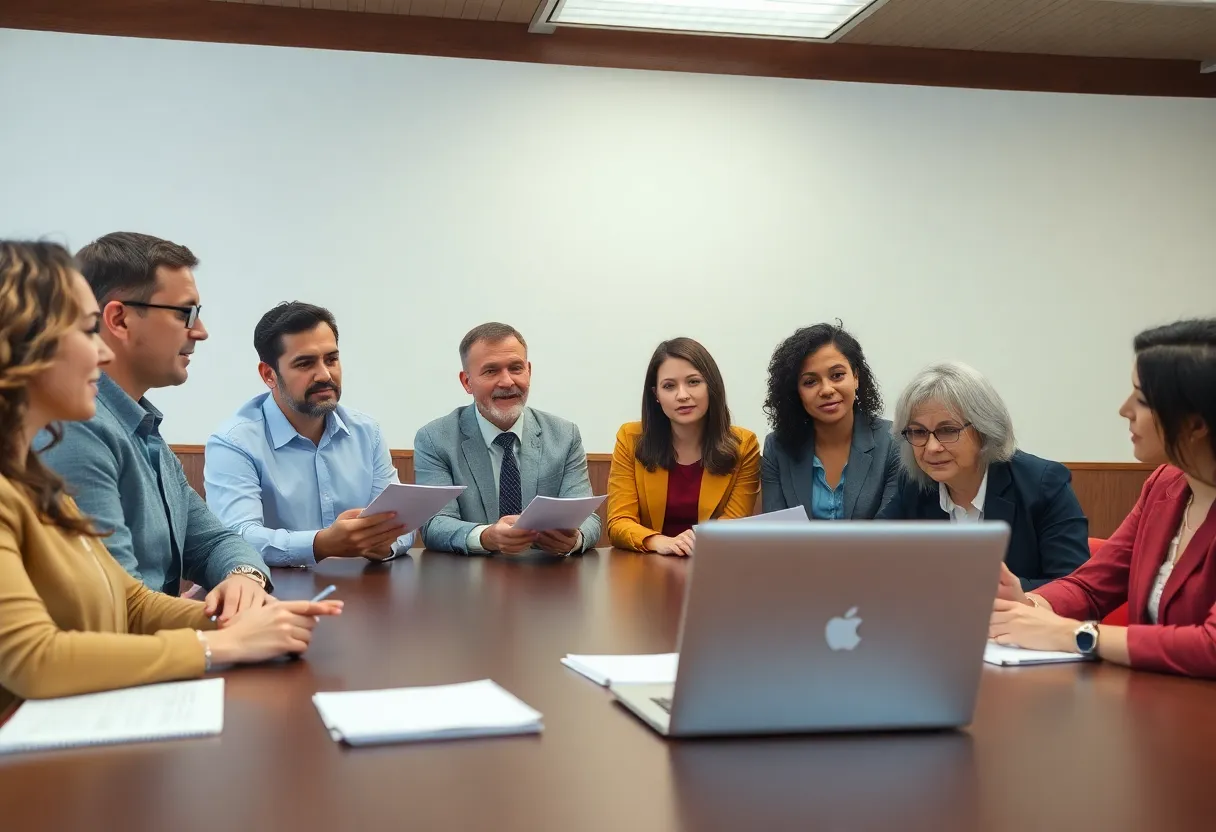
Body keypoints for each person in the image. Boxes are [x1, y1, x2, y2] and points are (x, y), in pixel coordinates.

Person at [0, 241, 341, 714]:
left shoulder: (41, 478)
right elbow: (35, 657)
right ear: (21, 348)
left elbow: (131, 600)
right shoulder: (66, 446)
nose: (99, 352)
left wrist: (237, 618)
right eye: (84, 330)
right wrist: (222, 644)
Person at [38, 232, 272, 623]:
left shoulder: (141, 426)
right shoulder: (76, 429)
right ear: (119, 319)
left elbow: (216, 542)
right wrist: (225, 625)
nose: (200, 331)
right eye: (186, 313)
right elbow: (118, 608)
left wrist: (244, 579)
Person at [990, 319, 1216, 678]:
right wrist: (1029, 604)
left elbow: (1210, 645)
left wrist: (1076, 635)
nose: (1124, 409)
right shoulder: (1165, 485)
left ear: (1196, 423)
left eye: (1141, 399)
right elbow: (1091, 585)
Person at [204, 302, 411, 567]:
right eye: (305, 364)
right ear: (269, 375)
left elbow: (402, 526)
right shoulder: (234, 442)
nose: (325, 375)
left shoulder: (367, 432)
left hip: (363, 590)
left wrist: (383, 544)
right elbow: (236, 537)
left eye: (331, 359)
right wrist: (321, 544)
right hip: (271, 595)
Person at [878, 361, 1089, 590]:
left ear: (984, 429)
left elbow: (1074, 587)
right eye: (918, 432)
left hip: (1018, 623)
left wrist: (982, 589)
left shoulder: (1043, 484)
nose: (931, 447)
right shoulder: (914, 485)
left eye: (948, 430)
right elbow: (873, 555)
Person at [414, 322, 601, 556]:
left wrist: (575, 539)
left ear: (529, 371)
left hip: (546, 578)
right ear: (466, 382)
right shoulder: (435, 439)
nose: (507, 382)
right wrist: (486, 536)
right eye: (491, 371)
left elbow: (589, 518)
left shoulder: (564, 435)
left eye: (516, 368)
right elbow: (435, 524)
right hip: (467, 581)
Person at [607, 337, 760, 555]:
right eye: (669, 386)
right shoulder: (630, 438)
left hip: (713, 563)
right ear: (656, 395)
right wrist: (662, 542)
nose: (683, 395)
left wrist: (695, 543)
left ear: (711, 386)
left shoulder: (744, 445)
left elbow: (733, 524)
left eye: (693, 382)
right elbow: (619, 522)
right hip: (647, 566)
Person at [761, 323, 898, 520]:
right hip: (797, 552)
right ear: (796, 392)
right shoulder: (777, 448)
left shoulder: (892, 442)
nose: (826, 390)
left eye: (837, 375)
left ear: (856, 377)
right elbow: (776, 534)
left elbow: (890, 534)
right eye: (810, 382)